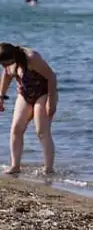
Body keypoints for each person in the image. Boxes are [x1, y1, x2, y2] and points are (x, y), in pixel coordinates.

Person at [0, 43, 59, 175]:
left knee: (41, 131)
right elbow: (7, 75)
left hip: (43, 93)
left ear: (13, 57)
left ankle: (49, 168)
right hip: (25, 94)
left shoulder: (31, 58)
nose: (4, 66)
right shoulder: (9, 64)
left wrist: (51, 101)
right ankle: (15, 166)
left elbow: (52, 76)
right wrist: (1, 96)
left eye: (5, 63)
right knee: (16, 128)